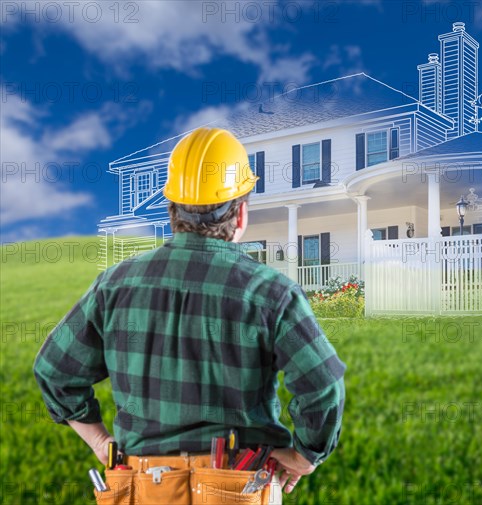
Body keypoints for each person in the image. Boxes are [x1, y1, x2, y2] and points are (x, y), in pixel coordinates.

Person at [33, 127, 346, 504]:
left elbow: (54, 371)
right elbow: (322, 385)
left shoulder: (114, 286)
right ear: (241, 212)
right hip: (238, 484)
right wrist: (306, 455)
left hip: (141, 485)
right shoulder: (271, 293)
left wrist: (100, 441)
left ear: (172, 209)